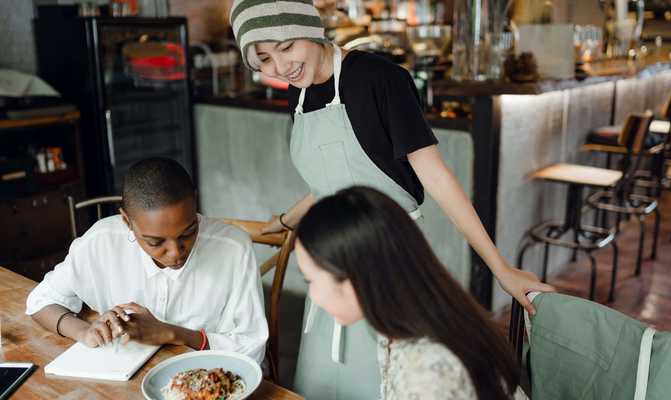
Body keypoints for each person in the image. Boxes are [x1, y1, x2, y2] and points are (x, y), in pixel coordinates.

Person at [229, 1, 553, 397]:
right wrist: (283, 222)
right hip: (335, 273)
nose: (280, 67)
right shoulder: (299, 93)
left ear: (313, 31)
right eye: (264, 58)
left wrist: (501, 269)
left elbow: (436, 177)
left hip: (391, 269)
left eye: (287, 46)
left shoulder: (381, 79)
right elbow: (330, 184)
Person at [295, 186, 529, 400]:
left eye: (311, 281)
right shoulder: (414, 317)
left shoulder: (428, 375)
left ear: (354, 280)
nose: (313, 296)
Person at [26, 158, 268, 363]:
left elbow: (252, 347)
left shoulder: (233, 249)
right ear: (126, 221)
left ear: (196, 203)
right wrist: (84, 331)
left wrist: (173, 334)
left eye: (188, 232)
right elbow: (40, 301)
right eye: (155, 242)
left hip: (207, 376)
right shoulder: (102, 241)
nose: (175, 253)